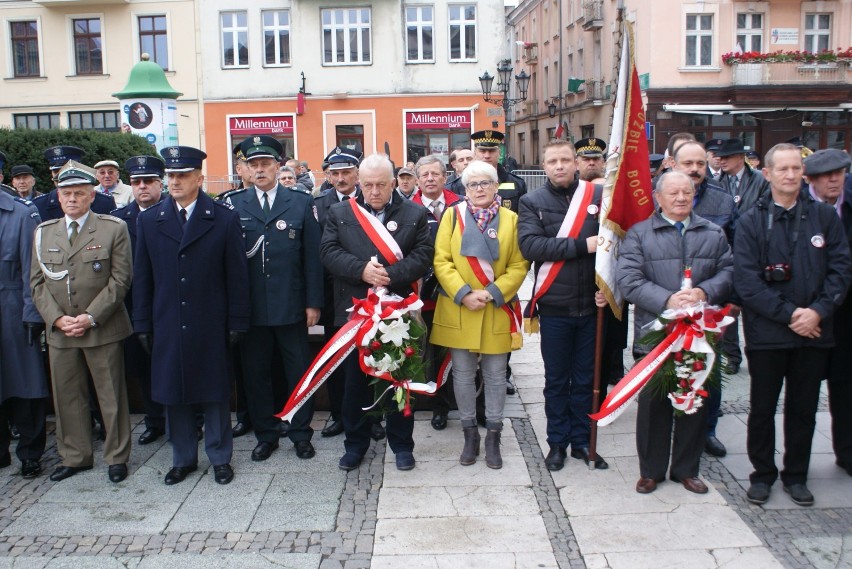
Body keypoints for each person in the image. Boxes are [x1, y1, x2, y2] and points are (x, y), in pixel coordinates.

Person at [736, 144, 851, 507]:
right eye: (782, 169)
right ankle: (762, 475)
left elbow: (840, 270)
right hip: (768, 333)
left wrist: (817, 311)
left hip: (815, 332)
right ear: (766, 174)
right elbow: (747, 282)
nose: (790, 175)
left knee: (803, 408)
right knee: (762, 408)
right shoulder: (750, 220)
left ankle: (796, 475)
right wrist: (790, 316)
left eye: (795, 168)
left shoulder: (824, 217)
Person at [132, 145, 250, 486]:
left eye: (182, 175)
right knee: (175, 393)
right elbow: (143, 278)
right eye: (170, 176)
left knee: (214, 393)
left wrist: (237, 320)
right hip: (167, 321)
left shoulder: (223, 219)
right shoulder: (149, 220)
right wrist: (142, 323)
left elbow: (236, 276)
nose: (175, 182)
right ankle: (182, 458)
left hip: (211, 321)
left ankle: (219, 457)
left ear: (199, 178)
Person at [617, 171, 733, 495]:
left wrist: (704, 292)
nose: (681, 198)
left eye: (687, 192)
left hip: (699, 335)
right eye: (674, 193)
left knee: (692, 402)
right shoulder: (640, 234)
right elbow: (628, 279)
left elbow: (729, 271)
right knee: (654, 405)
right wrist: (667, 299)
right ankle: (651, 471)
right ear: (658, 197)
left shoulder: (712, 232)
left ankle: (686, 468)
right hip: (656, 334)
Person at [320, 153, 433, 472]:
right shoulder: (341, 212)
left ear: (394, 182)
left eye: (381, 185)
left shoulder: (415, 213)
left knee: (398, 380)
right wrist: (362, 271)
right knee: (354, 383)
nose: (373, 191)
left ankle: (402, 445)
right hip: (356, 311)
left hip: (398, 312)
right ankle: (355, 444)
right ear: (359, 182)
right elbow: (328, 251)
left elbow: (424, 254)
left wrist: (390, 275)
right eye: (367, 184)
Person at [30, 162, 134, 483]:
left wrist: (90, 317)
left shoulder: (112, 228)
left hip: (101, 326)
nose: (72, 199)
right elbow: (36, 283)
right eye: (66, 193)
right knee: (67, 396)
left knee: (111, 396)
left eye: (78, 193)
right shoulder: (44, 232)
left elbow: (120, 279)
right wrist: (58, 319)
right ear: (58, 197)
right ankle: (75, 456)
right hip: (62, 331)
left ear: (91, 196)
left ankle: (117, 456)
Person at [226, 135, 323, 462]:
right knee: (256, 375)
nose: (261, 169)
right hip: (252, 309)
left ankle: (300, 433)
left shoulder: (299, 202)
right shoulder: (234, 205)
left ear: (278, 165)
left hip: (291, 305)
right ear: (246, 169)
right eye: (254, 164)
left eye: (266, 163)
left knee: (299, 372)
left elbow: (312, 258)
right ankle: (266, 435)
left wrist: (313, 303)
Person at [431, 160, 528, 469]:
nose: (480, 189)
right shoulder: (452, 216)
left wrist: (493, 292)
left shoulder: (512, 219)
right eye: (473, 184)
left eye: (486, 182)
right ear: (465, 189)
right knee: (461, 374)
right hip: (460, 306)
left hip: (496, 306)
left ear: (495, 186)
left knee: (496, 375)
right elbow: (442, 260)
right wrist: (463, 293)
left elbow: (519, 264)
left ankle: (493, 436)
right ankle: (470, 434)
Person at [518, 139, 608, 471]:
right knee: (556, 379)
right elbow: (531, 246)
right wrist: (582, 245)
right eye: (552, 160)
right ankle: (557, 442)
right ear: (544, 166)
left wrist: (608, 290)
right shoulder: (531, 201)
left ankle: (582, 441)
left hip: (591, 305)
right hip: (555, 306)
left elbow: (613, 244)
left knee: (586, 379)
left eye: (565, 159)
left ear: (577, 163)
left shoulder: (597, 197)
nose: (559, 165)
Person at [671, 140, 737, 459]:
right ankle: (673, 426)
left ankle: (707, 431)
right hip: (667, 304)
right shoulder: (655, 197)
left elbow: (734, 255)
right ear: (674, 164)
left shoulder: (724, 201)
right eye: (688, 163)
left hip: (708, 303)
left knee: (708, 369)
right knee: (670, 370)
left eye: (700, 163)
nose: (695, 169)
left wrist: (722, 293)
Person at [111, 155, 167, 446]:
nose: (142, 187)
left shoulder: (174, 212)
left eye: (149, 181)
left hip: (170, 303)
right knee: (144, 367)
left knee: (176, 363)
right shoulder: (119, 220)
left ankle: (190, 421)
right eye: (136, 182)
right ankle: (155, 420)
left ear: (161, 183)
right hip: (135, 306)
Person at [803, 149, 852, 478]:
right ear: (811, 179)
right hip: (804, 314)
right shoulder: (799, 207)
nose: (835, 179)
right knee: (801, 392)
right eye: (826, 174)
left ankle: (847, 453)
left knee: (846, 385)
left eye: (840, 172)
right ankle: (795, 468)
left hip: (846, 311)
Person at [409, 155, 462, 431]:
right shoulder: (407, 208)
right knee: (421, 352)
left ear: (445, 177)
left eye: (435, 174)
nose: (430, 179)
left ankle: (446, 405)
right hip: (421, 297)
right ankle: (421, 403)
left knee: (450, 355)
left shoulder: (460, 205)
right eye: (424, 175)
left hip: (456, 295)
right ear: (417, 180)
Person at [0, 186, 48, 479]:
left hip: (13, 308)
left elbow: (33, 270)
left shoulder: (19, 213)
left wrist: (33, 313)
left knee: (26, 384)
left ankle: (30, 453)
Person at [33, 147, 116, 221]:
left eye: (65, 171)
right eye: (56, 172)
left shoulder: (104, 202)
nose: (61, 176)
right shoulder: (39, 204)